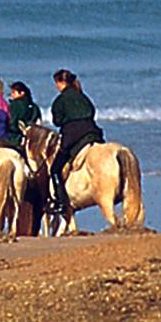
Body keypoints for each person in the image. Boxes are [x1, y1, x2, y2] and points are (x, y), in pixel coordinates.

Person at [48, 68, 105, 216]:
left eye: (57, 83)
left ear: (61, 82)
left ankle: (61, 203)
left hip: (73, 136)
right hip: (93, 132)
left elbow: (57, 121)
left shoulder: (60, 100)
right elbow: (92, 112)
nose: (56, 86)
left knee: (54, 170)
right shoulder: (83, 97)